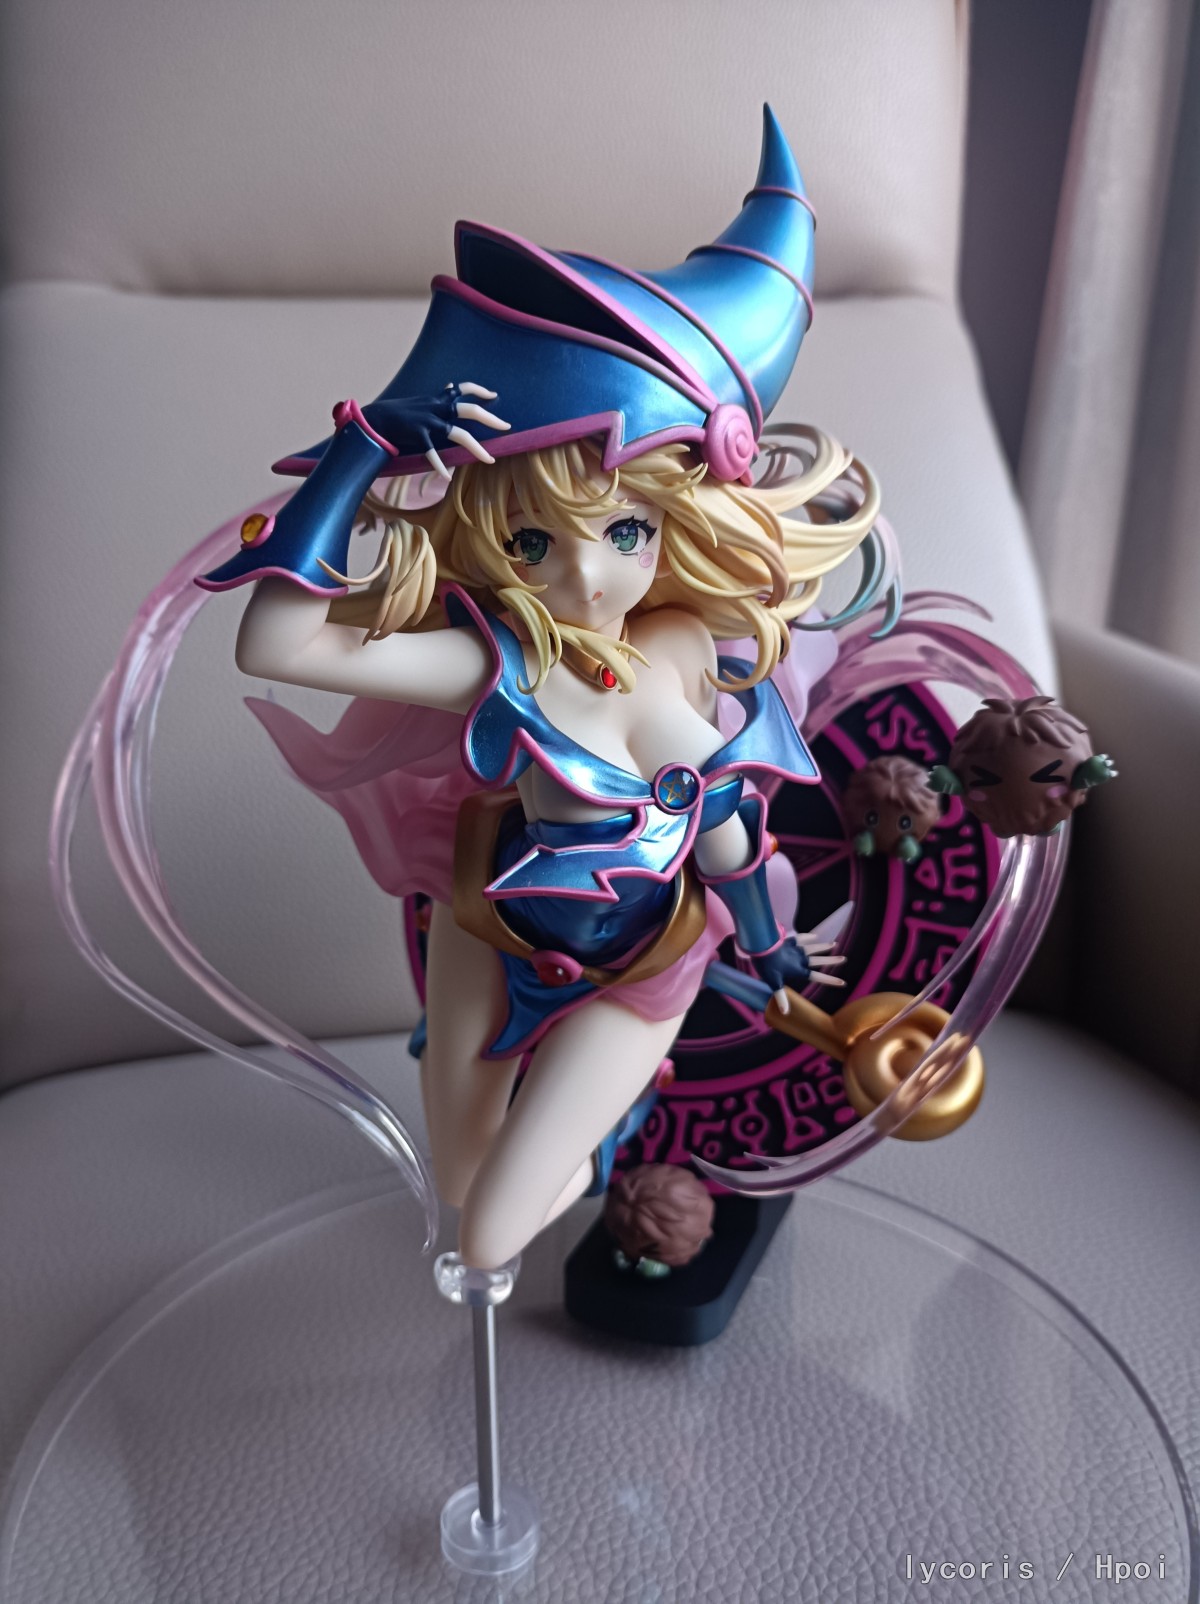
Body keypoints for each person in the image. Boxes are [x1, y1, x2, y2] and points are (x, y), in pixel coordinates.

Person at [195, 107, 898, 1268]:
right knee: (453, 1191)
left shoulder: (698, 650)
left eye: (623, 530)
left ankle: (595, 1148)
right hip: (487, 928)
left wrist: (772, 949)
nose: (584, 577)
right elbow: (277, 644)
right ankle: (554, 1157)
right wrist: (361, 449)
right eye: (532, 544)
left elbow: (730, 837)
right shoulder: (499, 659)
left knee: (490, 1234)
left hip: (644, 966)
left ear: (671, 518)